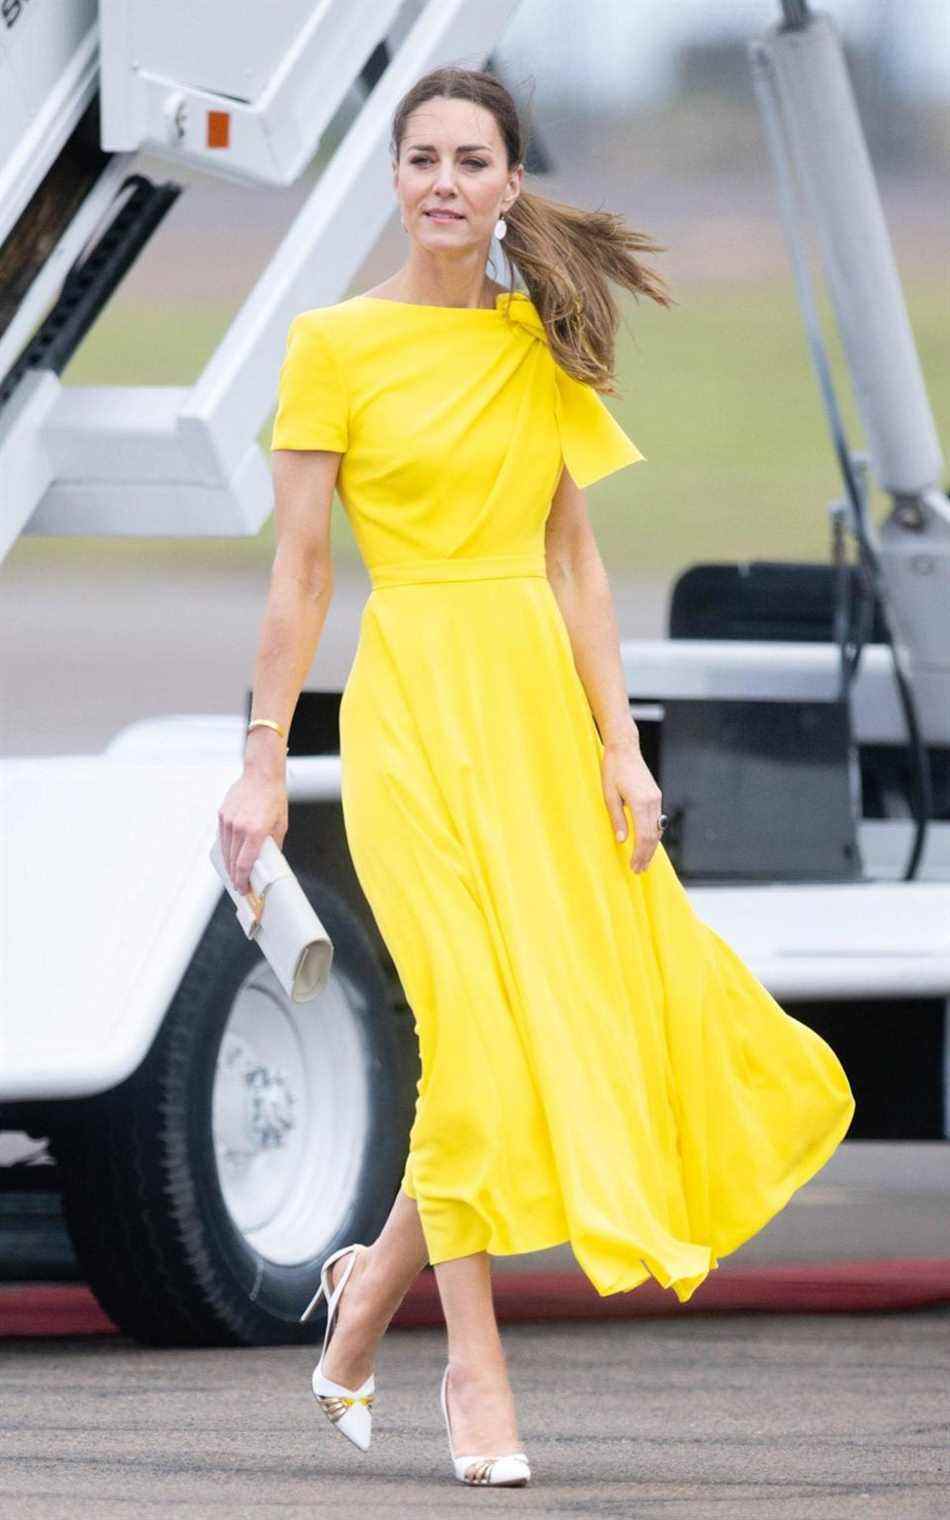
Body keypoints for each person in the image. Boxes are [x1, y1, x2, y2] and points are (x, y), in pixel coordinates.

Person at [217, 65, 856, 1489]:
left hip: (536, 719)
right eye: (420, 157)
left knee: (552, 1027)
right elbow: (301, 571)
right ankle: (475, 1377)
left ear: (508, 184)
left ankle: (361, 1300)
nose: (443, 180)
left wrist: (622, 751)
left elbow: (574, 562)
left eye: (470, 159)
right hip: (408, 712)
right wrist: (261, 760)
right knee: (472, 1050)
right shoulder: (332, 345)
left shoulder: (536, 345)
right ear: (393, 177)